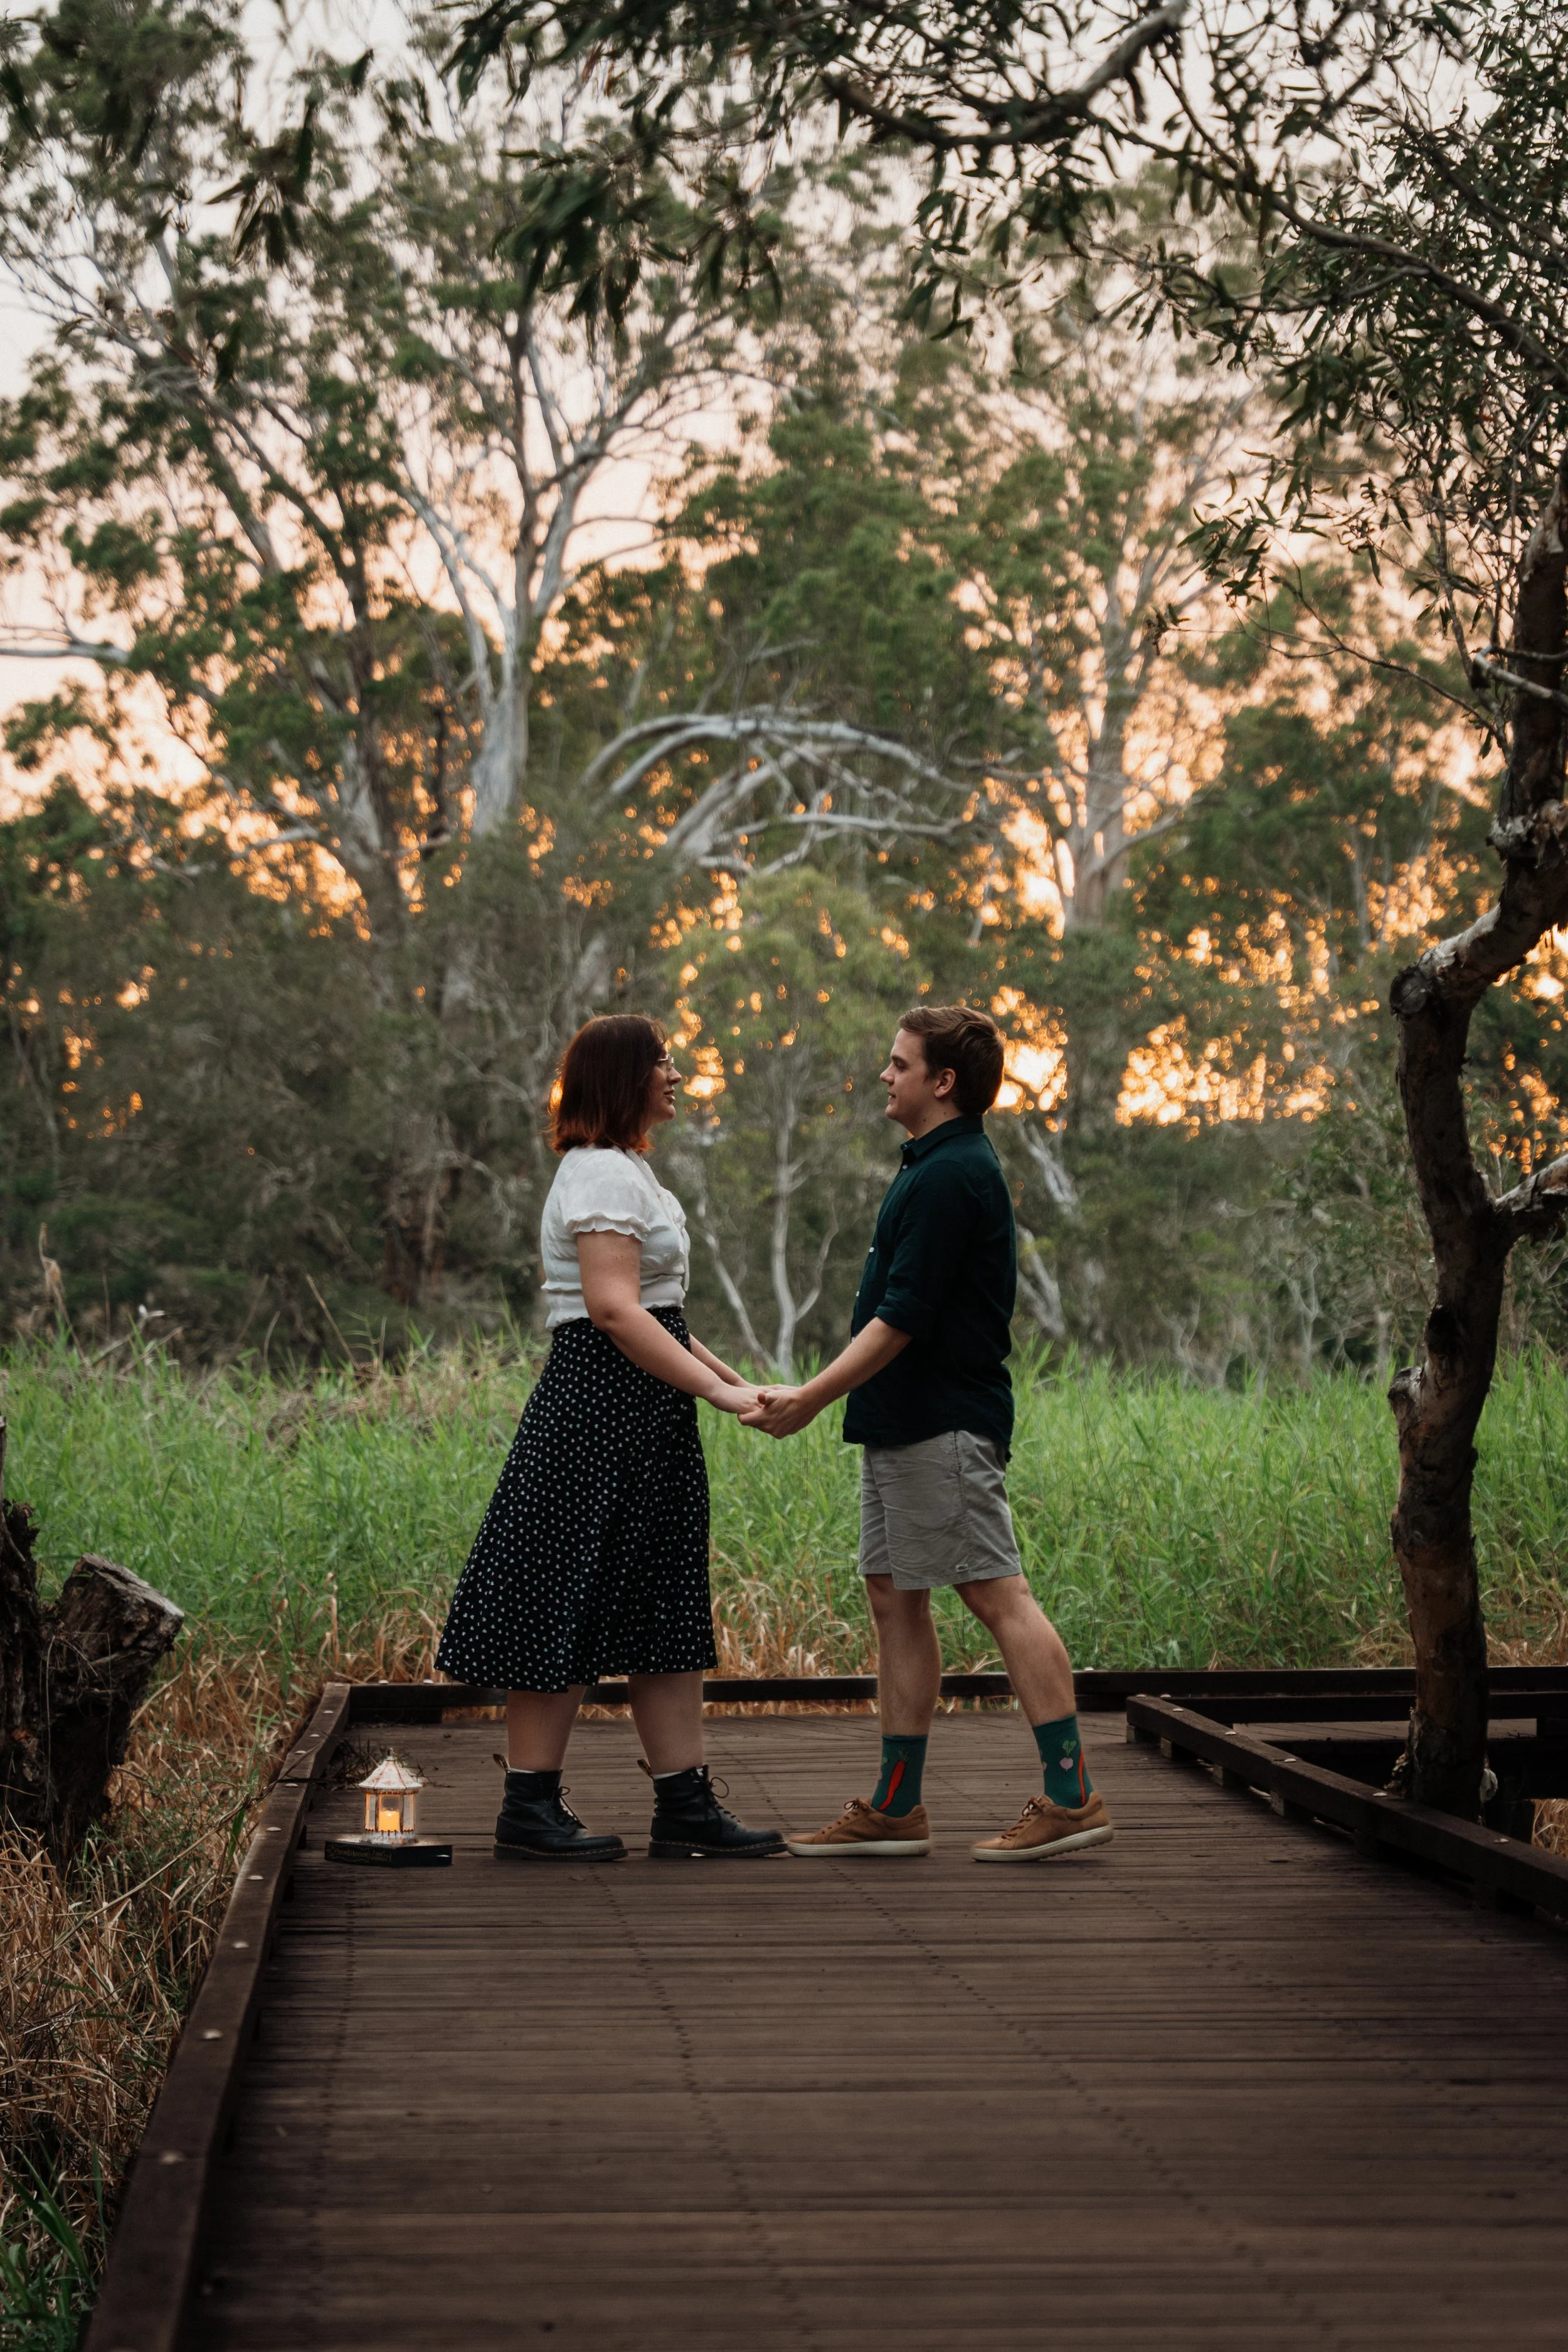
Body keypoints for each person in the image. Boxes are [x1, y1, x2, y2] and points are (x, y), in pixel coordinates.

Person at [742, 1005, 1114, 1863]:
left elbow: (901, 1318)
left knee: (996, 1593)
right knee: (892, 1594)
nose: (886, 1074)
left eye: (899, 1062)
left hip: (944, 1423)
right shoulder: (930, 1167)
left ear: (942, 1082)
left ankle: (1072, 1795)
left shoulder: (953, 1176)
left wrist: (811, 1397)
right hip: (904, 1422)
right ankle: (897, 1806)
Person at [437, 1014, 786, 1863]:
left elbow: (661, 1314)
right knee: (564, 1590)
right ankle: (528, 1806)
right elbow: (613, 1310)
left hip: (648, 1408)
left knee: (664, 1598)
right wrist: (712, 1388)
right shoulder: (596, 1171)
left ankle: (685, 1803)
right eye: (663, 1063)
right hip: (594, 1405)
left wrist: (733, 1386)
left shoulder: (632, 1172)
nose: (677, 1074)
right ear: (624, 1076)